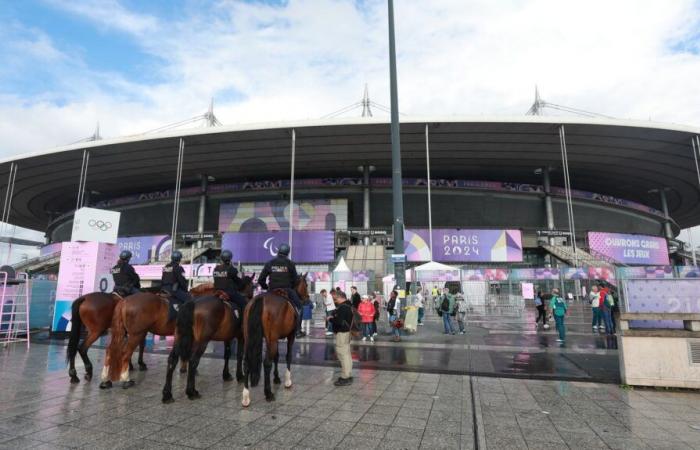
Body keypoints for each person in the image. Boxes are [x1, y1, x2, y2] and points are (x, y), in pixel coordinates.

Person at [258, 243, 304, 338]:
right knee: (300, 307)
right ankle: (298, 331)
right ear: (287, 252)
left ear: (278, 250)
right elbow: (295, 280)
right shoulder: (290, 263)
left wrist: (266, 287)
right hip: (287, 290)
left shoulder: (269, 263)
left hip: (272, 290)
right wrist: (291, 286)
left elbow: (261, 279)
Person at [328, 291, 353, 386]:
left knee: (342, 354)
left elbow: (338, 321)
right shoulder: (349, 305)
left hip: (342, 333)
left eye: (336, 298)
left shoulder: (343, 307)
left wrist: (330, 318)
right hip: (347, 332)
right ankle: (348, 374)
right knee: (347, 354)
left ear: (341, 297)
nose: (335, 300)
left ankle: (345, 377)